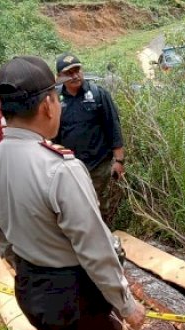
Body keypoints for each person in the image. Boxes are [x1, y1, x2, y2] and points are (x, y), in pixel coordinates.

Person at [0, 55, 145, 330]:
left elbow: (1, 237)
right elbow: (96, 250)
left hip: (32, 286)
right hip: (75, 295)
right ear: (48, 104)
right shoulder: (60, 168)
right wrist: (125, 304)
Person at [53, 53, 125, 223]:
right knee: (72, 209)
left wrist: (119, 161)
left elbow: (113, 127)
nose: (75, 75)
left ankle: (104, 244)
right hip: (68, 168)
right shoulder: (54, 99)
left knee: (100, 208)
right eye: (69, 73)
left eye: (77, 70)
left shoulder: (98, 94)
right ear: (59, 78)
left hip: (98, 166)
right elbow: (51, 135)